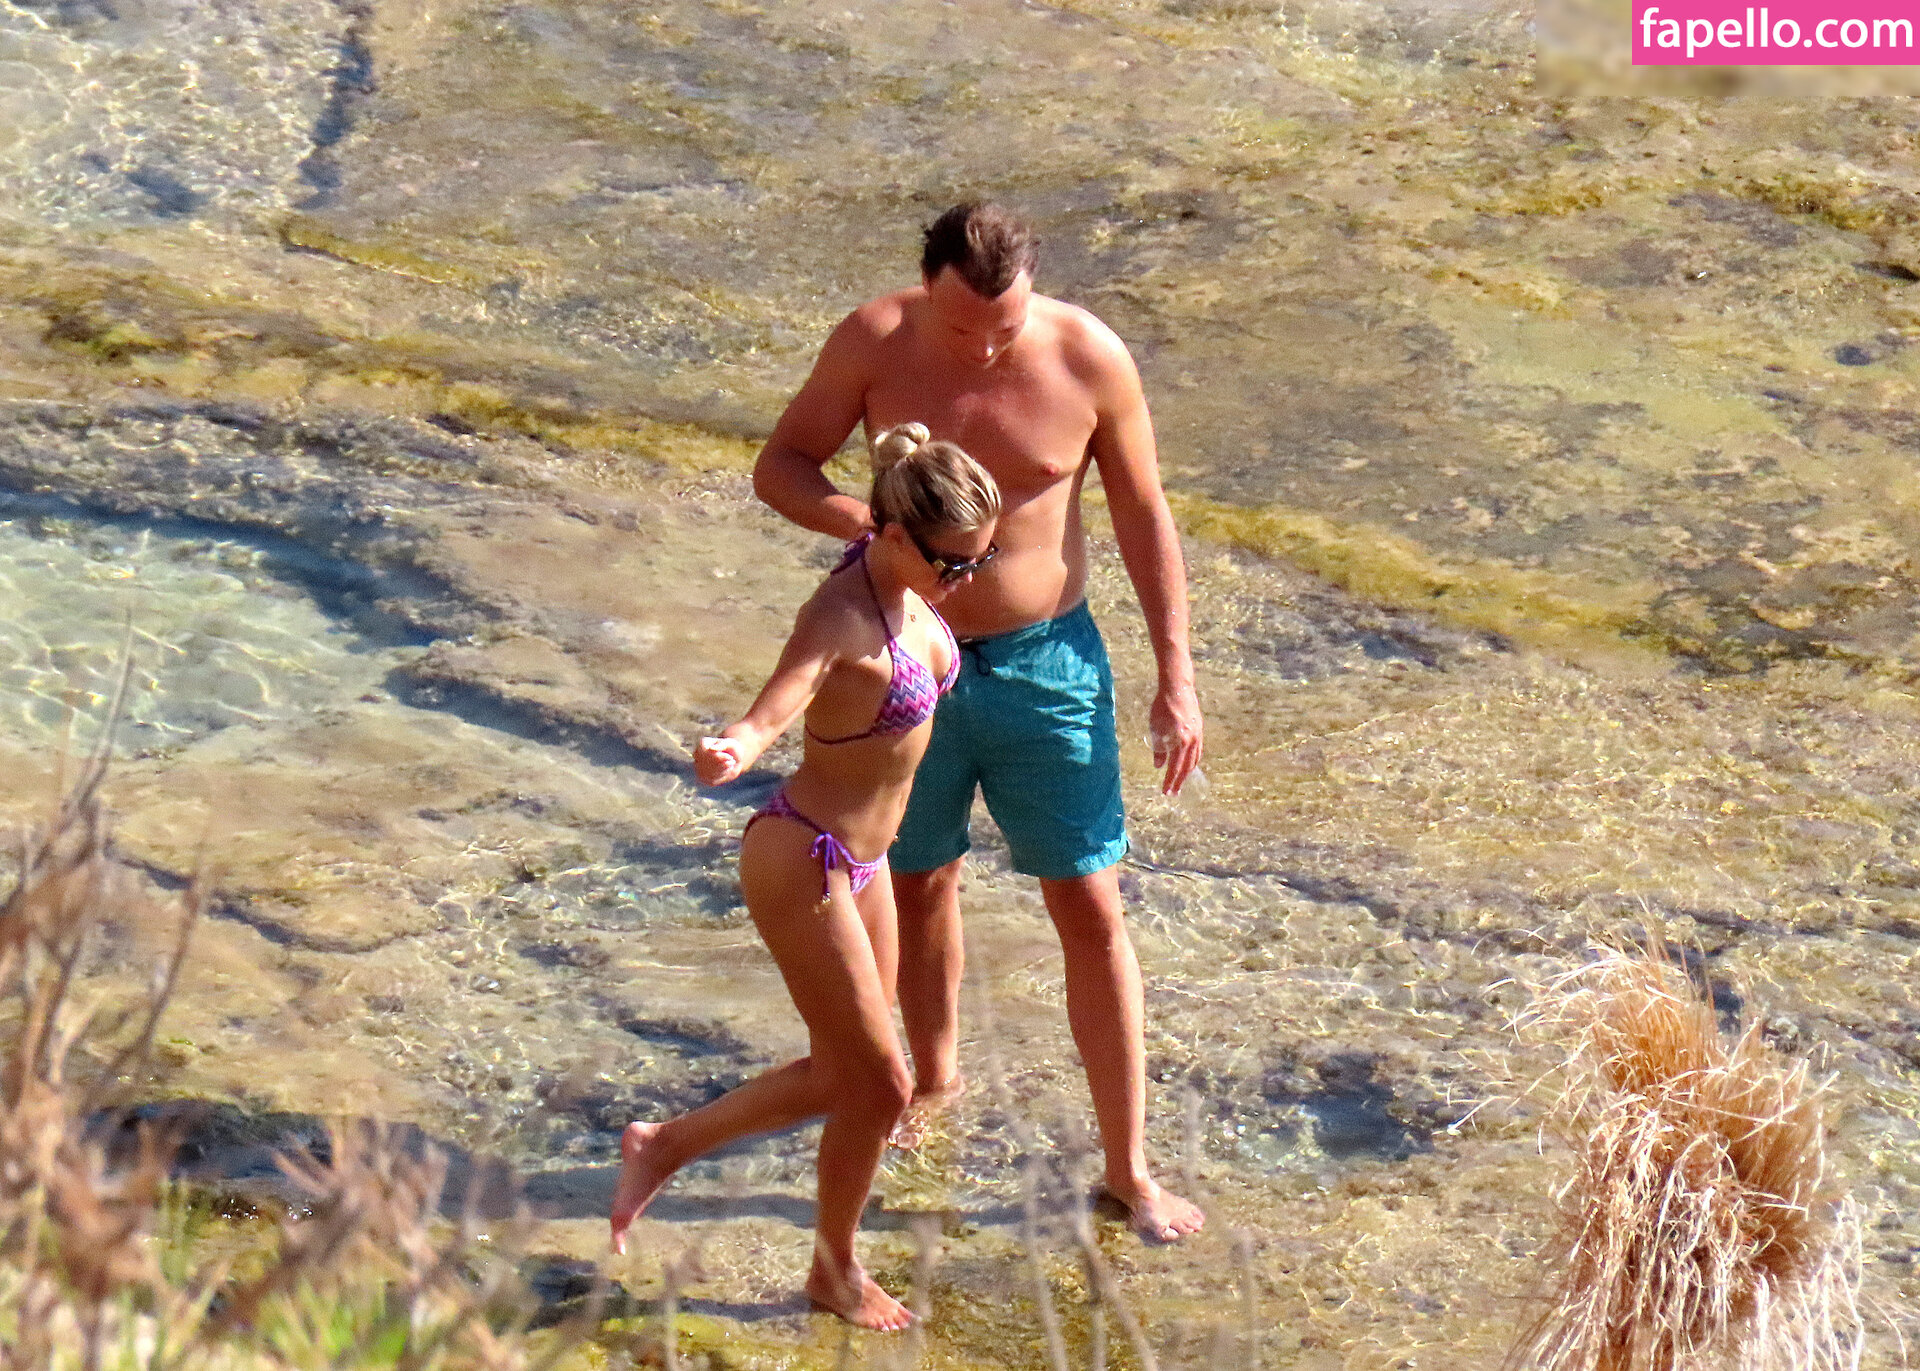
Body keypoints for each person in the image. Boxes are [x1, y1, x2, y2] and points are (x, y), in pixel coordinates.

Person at [751, 202, 1205, 1242]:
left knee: (1090, 903)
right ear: (927, 288)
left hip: (1047, 660)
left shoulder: (1088, 356)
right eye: (964, 329)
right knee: (919, 882)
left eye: (1005, 325)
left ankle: (1129, 1168)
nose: (988, 347)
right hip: (907, 656)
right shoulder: (874, 340)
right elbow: (782, 466)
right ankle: (933, 1084)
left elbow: (1144, 512)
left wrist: (1175, 674)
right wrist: (878, 526)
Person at [609, 424, 1001, 1330]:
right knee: (884, 1084)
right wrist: (734, 747)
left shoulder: (907, 586)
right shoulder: (841, 616)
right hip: (805, 858)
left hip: (866, 862)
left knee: (849, 1078)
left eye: (980, 561)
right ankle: (827, 1264)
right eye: (953, 563)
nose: (964, 581)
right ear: (893, 536)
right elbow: (775, 704)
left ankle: (669, 1149)